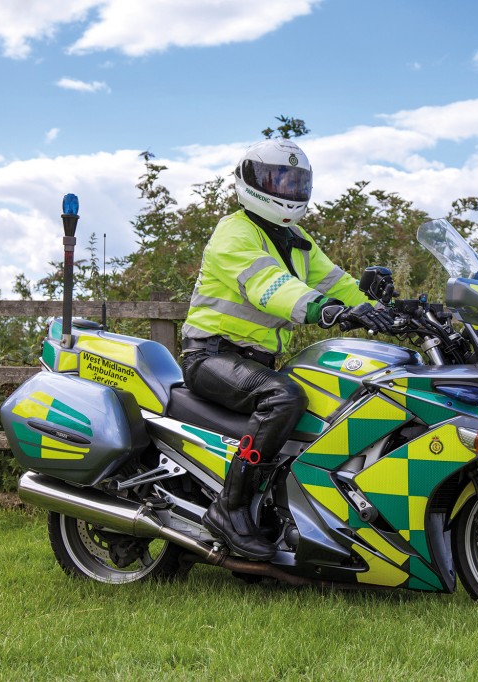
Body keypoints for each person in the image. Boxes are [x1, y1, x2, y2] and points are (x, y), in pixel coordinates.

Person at [180, 138, 394, 560]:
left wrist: (384, 310)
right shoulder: (234, 232)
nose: (287, 189)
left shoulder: (295, 238)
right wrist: (323, 309)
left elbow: (337, 283)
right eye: (278, 178)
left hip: (254, 360)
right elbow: (269, 286)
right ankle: (230, 507)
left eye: (296, 181)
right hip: (211, 356)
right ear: (252, 181)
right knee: (284, 397)